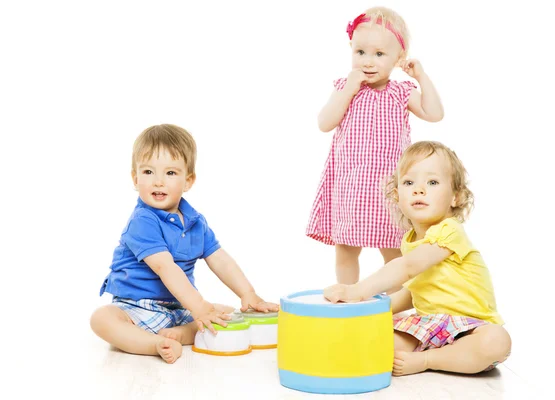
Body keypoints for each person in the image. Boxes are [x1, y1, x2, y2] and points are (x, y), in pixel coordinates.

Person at [90, 124, 278, 363]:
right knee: (102, 318)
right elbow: (164, 267)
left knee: (227, 312)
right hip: (135, 308)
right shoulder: (143, 221)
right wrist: (199, 306)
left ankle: (182, 332)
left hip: (178, 307)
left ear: (188, 181)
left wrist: (248, 294)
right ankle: (156, 343)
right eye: (148, 172)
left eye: (170, 173)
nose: (158, 181)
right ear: (135, 178)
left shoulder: (195, 222)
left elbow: (220, 259)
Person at [324, 141, 511, 376]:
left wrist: (357, 291)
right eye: (409, 182)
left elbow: (408, 267)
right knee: (369, 341)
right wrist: (372, 309)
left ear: (456, 196)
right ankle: (439, 356)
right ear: (396, 195)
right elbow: (414, 292)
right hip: (429, 326)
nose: (419, 190)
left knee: (496, 341)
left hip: (469, 327)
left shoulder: (449, 231)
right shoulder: (410, 239)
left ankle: (428, 360)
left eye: (432, 183)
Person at [306, 6, 444, 289]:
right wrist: (349, 90)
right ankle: (347, 293)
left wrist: (421, 77)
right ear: (351, 50)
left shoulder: (401, 93)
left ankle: (393, 303)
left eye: (379, 54)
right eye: (361, 53)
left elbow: (434, 113)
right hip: (351, 184)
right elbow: (324, 122)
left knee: (394, 250)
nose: (368, 61)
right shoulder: (345, 86)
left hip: (389, 187)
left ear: (398, 58)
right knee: (345, 247)